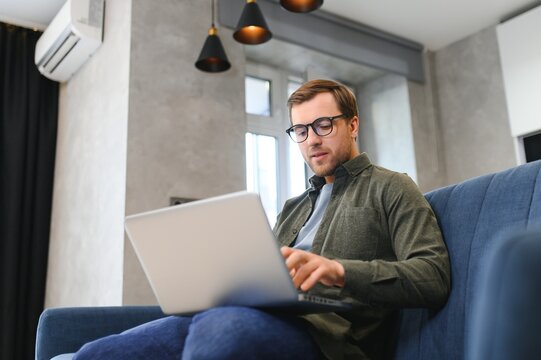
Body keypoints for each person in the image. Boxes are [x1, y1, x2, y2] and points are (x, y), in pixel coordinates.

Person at [71, 80, 450, 360]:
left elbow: (433, 276)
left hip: (327, 339)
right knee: (94, 353)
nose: (311, 140)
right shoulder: (293, 207)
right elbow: (263, 277)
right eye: (300, 131)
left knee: (220, 330)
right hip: (252, 316)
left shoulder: (392, 187)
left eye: (323, 125)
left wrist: (338, 270)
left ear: (352, 125)